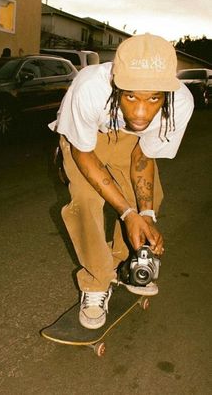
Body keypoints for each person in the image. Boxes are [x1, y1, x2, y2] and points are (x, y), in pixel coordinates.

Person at [49, 33, 194, 330]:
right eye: (130, 96)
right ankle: (95, 282)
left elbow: (142, 158)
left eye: (154, 98)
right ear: (116, 82)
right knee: (87, 200)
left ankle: (127, 264)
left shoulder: (180, 103)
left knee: (148, 203)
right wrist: (127, 213)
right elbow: (83, 154)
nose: (141, 113)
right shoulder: (90, 87)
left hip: (126, 140)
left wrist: (144, 215)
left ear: (168, 91)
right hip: (82, 140)